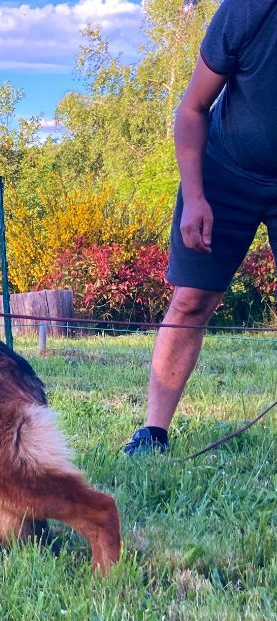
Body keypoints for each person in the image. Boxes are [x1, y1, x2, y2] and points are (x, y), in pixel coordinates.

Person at [125, 0, 277, 455]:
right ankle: (153, 434)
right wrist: (195, 197)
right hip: (224, 170)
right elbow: (192, 107)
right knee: (192, 299)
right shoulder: (249, 11)